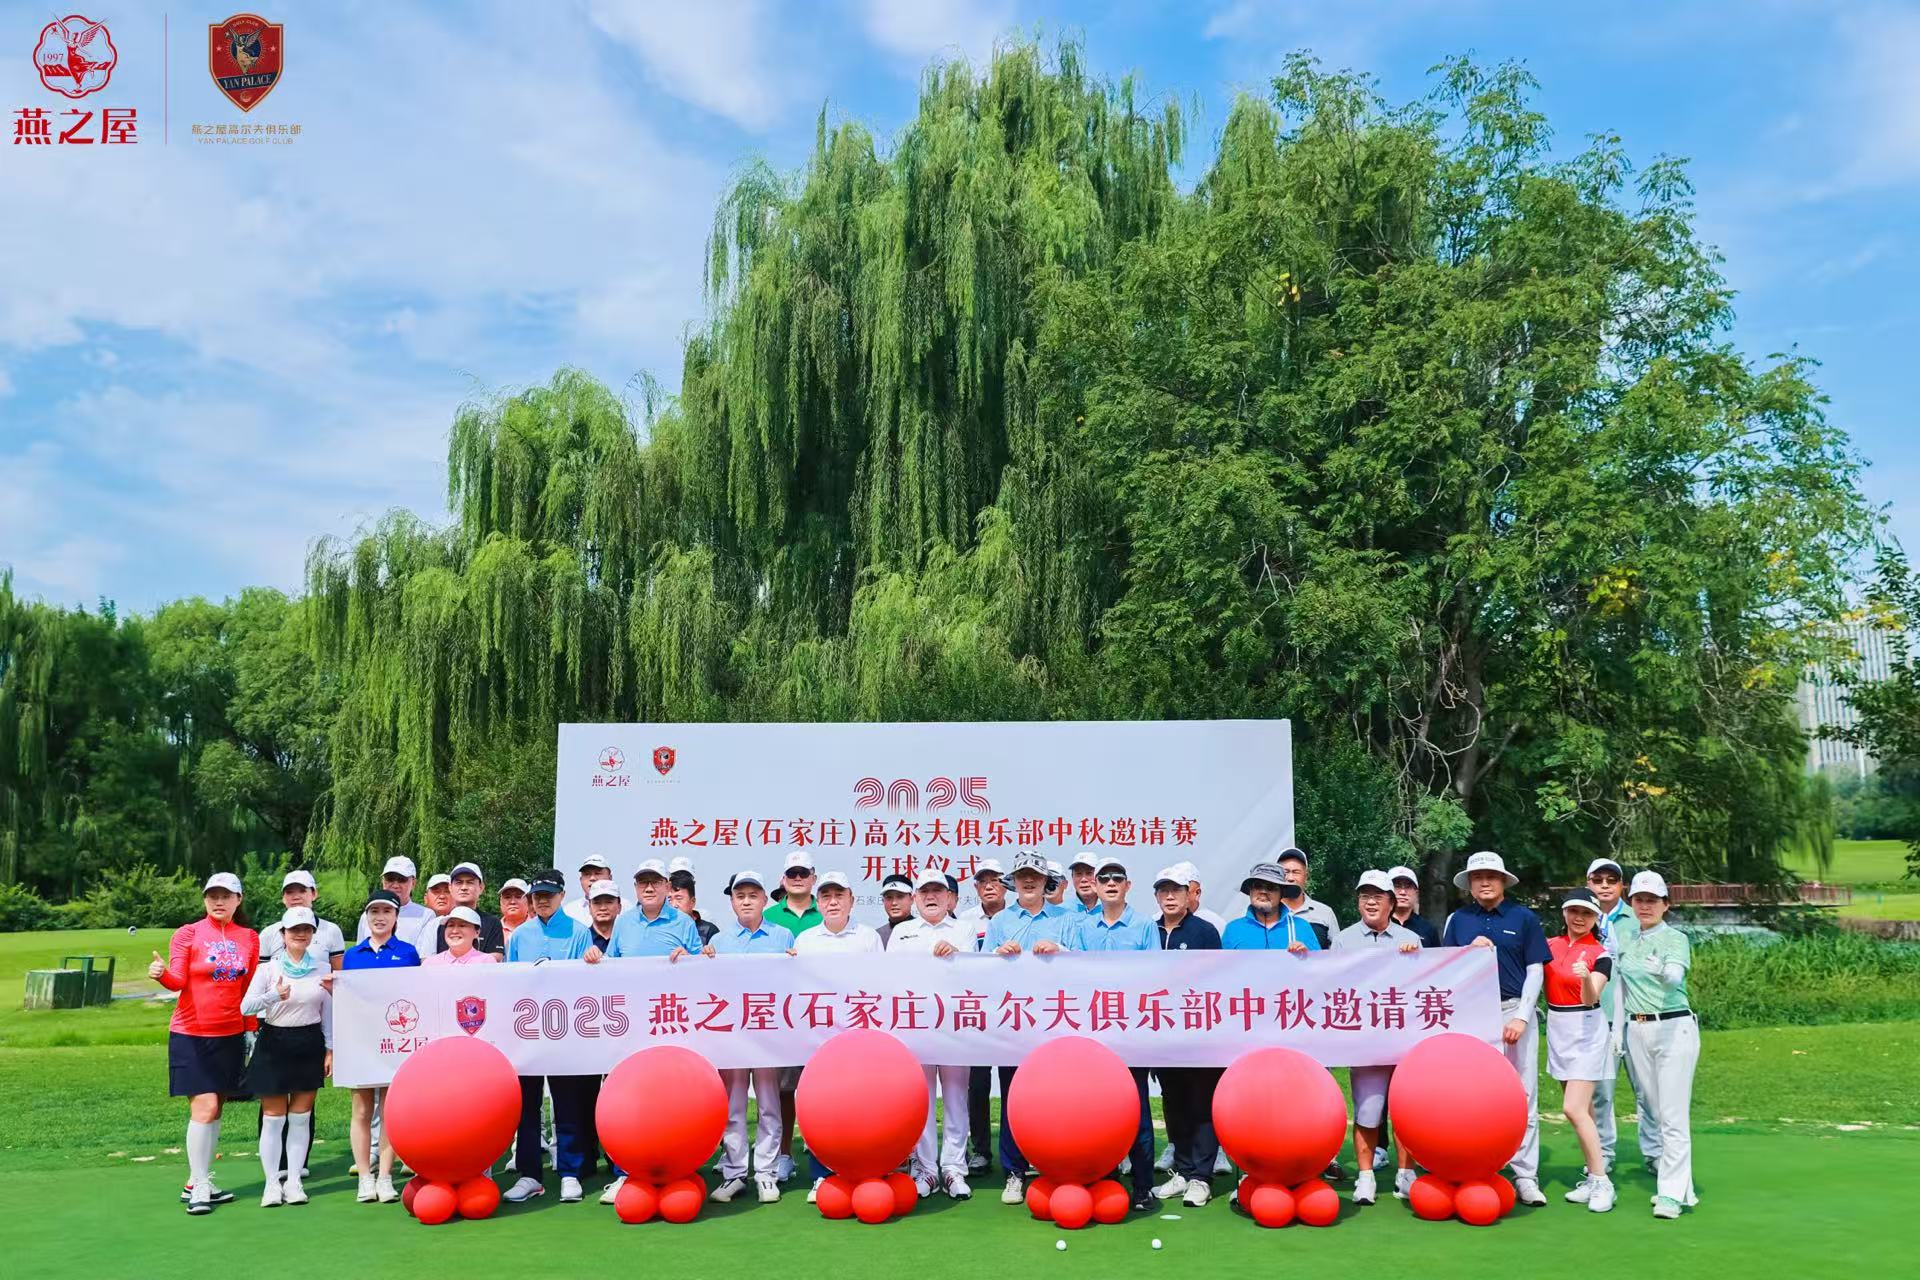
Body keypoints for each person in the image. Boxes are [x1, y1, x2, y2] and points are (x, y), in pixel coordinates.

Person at [1441, 849, 1551, 1206]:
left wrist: (1522, 1015)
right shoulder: (1458, 920)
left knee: (1522, 1093)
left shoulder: (1524, 918)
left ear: (1503, 881)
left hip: (1512, 1010)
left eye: (1491, 876)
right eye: (1477, 877)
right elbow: (1446, 968)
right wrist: (1469, 951)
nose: (1484, 882)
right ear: (1469, 884)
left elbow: (1535, 969)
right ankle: (1479, 1165)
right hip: (1472, 1016)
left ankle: (1525, 1175)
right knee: (1474, 1094)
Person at [149, 872, 259, 1215]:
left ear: (238, 900)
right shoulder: (189, 933)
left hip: (230, 1035)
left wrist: (251, 1030)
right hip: (192, 1033)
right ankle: (198, 1184)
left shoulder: (249, 937)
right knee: (206, 1107)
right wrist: (162, 975)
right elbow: (177, 980)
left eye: (226, 896)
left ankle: (198, 1181)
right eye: (212, 895)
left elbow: (248, 989)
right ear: (205, 899)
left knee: (217, 1109)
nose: (218, 901)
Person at [983, 849, 1083, 1204]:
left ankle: (1057, 1164)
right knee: (1013, 1097)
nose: (1029, 881)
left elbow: (1086, 965)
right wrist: (997, 955)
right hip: (1014, 1022)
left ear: (1046, 882)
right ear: (1013, 882)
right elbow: (981, 970)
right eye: (1022, 876)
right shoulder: (1000, 921)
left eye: (1036, 876)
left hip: (1055, 1020)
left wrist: (1060, 950)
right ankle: (1014, 1171)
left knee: (1056, 1097)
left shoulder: (1066, 919)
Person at [1331, 871, 1423, 1206]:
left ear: (1391, 902)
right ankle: (1366, 1177)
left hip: (1404, 1042)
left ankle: (1405, 1174)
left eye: (1378, 896)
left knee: (1407, 1111)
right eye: (1364, 896)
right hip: (1365, 1043)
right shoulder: (1343, 940)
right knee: (1367, 1112)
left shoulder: (1410, 938)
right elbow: (1330, 984)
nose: (1370, 902)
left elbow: (1425, 985)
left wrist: (1414, 958)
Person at [791, 870, 882, 1200]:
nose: (832, 902)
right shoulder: (805, 941)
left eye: (839, 895)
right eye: (826, 896)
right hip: (819, 1040)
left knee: (862, 1106)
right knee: (822, 1108)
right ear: (817, 902)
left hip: (859, 1038)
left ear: (851, 900)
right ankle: (821, 1174)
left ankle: (864, 1168)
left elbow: (882, 985)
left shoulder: (868, 938)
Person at [503, 871, 593, 1204]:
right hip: (526, 1031)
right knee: (526, 1105)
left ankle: (570, 1172)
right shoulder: (521, 935)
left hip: (564, 1029)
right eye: (537, 895)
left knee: (566, 1103)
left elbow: (584, 981)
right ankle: (529, 1175)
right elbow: (510, 981)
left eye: (549, 895)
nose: (542, 900)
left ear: (561, 896)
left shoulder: (579, 932)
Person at [885, 869, 974, 1200]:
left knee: (956, 1099)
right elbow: (888, 977)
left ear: (950, 898)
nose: (931, 896)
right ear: (915, 898)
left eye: (938, 891)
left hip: (954, 1028)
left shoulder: (964, 929)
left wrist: (957, 955)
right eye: (925, 892)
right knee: (921, 1100)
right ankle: (925, 1170)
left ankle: (953, 1168)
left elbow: (977, 974)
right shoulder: (902, 932)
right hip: (915, 1028)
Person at [706, 870, 794, 1205]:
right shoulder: (720, 942)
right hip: (731, 1036)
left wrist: (796, 963)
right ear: (731, 902)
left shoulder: (783, 936)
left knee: (770, 1104)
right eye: (740, 896)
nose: (746, 901)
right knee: (734, 1106)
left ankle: (767, 1173)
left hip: (768, 1032)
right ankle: (734, 1172)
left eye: (752, 896)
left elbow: (794, 982)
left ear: (764, 900)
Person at [1078, 858, 1158, 1213]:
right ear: (1095, 886)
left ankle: (1142, 1187)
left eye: (1117, 878)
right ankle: (1104, 1181)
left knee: (1137, 1111)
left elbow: (1155, 975)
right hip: (1095, 1038)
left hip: (1131, 1036)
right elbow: (1073, 975)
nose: (1111, 883)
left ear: (1128, 886)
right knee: (1098, 1114)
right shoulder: (1083, 927)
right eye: (1104, 878)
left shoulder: (1144, 926)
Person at [1616, 870, 1698, 1219]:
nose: (1645, 906)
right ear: (1631, 903)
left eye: (1652, 900)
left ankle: (1670, 1194)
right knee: (1653, 1108)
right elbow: (1620, 987)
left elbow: (1675, 977)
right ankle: (1680, 1185)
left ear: (1666, 904)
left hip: (1673, 1027)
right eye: (1639, 900)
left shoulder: (1675, 938)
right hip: (1637, 1029)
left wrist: (1663, 971)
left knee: (1673, 1114)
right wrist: (1616, 1033)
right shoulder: (1627, 938)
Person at [240, 906, 333, 1206]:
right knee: (273, 1118)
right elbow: (246, 1007)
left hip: (309, 1043)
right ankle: (272, 1183)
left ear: (313, 934)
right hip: (274, 1042)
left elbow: (328, 1013)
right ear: (283, 934)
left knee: (301, 1118)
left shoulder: (322, 969)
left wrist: (330, 1048)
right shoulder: (269, 970)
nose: (300, 934)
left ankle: (294, 1181)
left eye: (306, 929)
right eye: (294, 929)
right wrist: (273, 996)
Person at [1149, 865, 1223, 1207]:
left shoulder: (1205, 931)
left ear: (1188, 894)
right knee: (1174, 1103)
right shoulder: (1150, 932)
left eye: (1175, 890)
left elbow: (1216, 982)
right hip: (1162, 1037)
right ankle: (1182, 1169)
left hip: (1200, 1036)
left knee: (1202, 1105)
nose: (1169, 897)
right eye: (1163, 891)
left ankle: (1201, 1177)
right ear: (1156, 896)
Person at [340, 888, 420, 1202]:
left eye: (386, 911)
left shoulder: (408, 953)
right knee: (361, 1110)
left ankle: (385, 1176)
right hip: (360, 1040)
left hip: (395, 1040)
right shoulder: (352, 955)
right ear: (367, 916)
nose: (380, 917)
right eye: (374, 912)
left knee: (389, 1110)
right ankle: (365, 1177)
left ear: (396, 917)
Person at [1546, 888, 1616, 1213]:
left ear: (1595, 918)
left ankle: (1602, 1181)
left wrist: (1586, 978)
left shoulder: (1600, 953)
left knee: (1573, 1108)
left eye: (1587, 913)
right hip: (1558, 1027)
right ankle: (1591, 1176)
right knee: (1584, 1111)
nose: (1579, 918)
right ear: (1564, 913)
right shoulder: (1549, 945)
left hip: (1587, 1029)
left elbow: (1591, 998)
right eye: (1574, 911)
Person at [1587, 856, 1654, 1174]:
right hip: (1596, 1016)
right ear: (1588, 883)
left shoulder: (1636, 917)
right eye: (1597, 880)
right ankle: (1603, 1154)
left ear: (1621, 885)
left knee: (1647, 1089)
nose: (1604, 885)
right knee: (1601, 1093)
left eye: (1611, 880)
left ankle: (1656, 1153)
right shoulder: (1581, 918)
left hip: (1636, 1015)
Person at [764, 851, 821, 1182]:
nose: (797, 878)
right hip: (782, 1016)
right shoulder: (769, 916)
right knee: (783, 1089)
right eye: (792, 873)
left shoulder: (826, 910)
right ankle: (784, 1154)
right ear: (783, 879)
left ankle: (821, 1146)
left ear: (813, 877)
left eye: (803, 873)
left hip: (819, 1014)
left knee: (820, 1087)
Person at [959, 859, 1008, 1172]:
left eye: (996, 880)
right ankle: (980, 1149)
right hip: (976, 1011)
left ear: (1006, 885)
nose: (989, 886)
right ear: (976, 887)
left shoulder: (1016, 916)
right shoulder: (965, 921)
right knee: (976, 1084)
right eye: (983, 881)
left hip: (1011, 1010)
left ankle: (1019, 1148)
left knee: (1014, 1082)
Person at [597, 859, 702, 960]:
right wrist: (596, 956)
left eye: (656, 882)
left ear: (668, 887)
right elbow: (609, 963)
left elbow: (700, 965)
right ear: (635, 887)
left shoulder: (685, 923)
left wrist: (688, 959)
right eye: (643, 882)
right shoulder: (622, 922)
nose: (649, 889)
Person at [1222, 862, 1320, 952]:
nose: (1263, 891)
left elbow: (1318, 964)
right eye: (1257, 886)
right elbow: (1222, 965)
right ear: (1250, 891)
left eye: (1271, 887)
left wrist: (1307, 955)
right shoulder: (1233, 929)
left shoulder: (1302, 927)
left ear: (1281, 894)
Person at [259, 870, 347, 971]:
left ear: (314, 894)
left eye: (302, 891)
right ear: (283, 898)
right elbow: (261, 974)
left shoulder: (331, 930)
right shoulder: (268, 934)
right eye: (289, 892)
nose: (296, 897)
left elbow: (338, 975)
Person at [422, 862, 506, 956]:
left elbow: (496, 957)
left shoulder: (492, 923)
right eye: (459, 883)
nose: (464, 887)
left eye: (470, 882)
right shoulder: (438, 923)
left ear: (481, 887)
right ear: (450, 887)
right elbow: (428, 960)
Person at [354, 855, 429, 942]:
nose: (395, 885)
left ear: (413, 883)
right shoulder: (367, 916)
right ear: (383, 881)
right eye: (390, 879)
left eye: (402, 879)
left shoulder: (425, 916)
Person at [1275, 846, 1338, 945]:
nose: (1290, 878)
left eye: (1296, 872)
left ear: (1306, 876)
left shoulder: (1325, 913)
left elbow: (1338, 951)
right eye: (1285, 872)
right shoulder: (1267, 913)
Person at [423, 905, 502, 966]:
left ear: (477, 932)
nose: (454, 931)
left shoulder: (487, 962)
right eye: (450, 925)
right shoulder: (430, 963)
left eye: (462, 925)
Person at [1387, 864, 1440, 947]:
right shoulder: (1377, 926)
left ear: (1416, 893)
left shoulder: (1428, 929)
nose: (1403, 892)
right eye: (1397, 886)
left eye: (1408, 887)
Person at [667, 866, 720, 947]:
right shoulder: (659, 929)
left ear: (693, 901)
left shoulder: (709, 930)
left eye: (679, 898)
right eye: (669, 899)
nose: (674, 905)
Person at [564, 855, 624, 924]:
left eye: (598, 873)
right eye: (587, 874)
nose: (592, 878)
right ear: (581, 880)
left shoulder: (627, 909)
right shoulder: (568, 911)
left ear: (610, 878)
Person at [412, 873, 454, 948]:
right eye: (436, 892)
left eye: (447, 891)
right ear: (425, 898)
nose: (442, 896)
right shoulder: (414, 924)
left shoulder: (466, 924)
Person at [582, 881, 622, 954]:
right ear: (589, 908)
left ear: (619, 907)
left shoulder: (627, 939)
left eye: (609, 902)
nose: (603, 908)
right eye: (597, 903)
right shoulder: (581, 940)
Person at [876, 873, 915, 945]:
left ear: (912, 899)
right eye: (889, 897)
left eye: (900, 896)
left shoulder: (925, 930)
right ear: (883, 901)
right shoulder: (876, 936)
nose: (894, 903)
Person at [498, 877, 531, 941]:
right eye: (507, 897)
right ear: (501, 902)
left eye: (518, 897)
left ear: (528, 901)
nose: (512, 902)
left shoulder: (539, 929)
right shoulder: (492, 930)